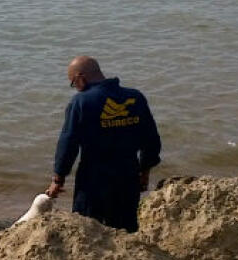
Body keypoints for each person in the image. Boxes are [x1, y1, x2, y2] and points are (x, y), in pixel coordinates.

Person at [46, 56, 161, 232]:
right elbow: (151, 139)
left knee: (87, 230)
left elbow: (68, 143)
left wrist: (58, 179)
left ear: (80, 78)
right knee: (127, 229)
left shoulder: (81, 102)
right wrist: (144, 172)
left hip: (93, 180)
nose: (75, 88)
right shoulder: (135, 97)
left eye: (73, 83)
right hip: (128, 176)